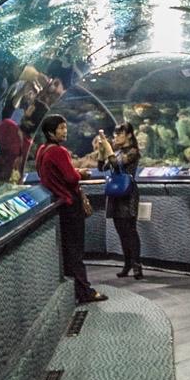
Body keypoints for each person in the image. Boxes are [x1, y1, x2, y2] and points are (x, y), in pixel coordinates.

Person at [34, 114, 107, 303]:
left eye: (65, 127)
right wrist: (80, 173)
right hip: (70, 204)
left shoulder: (42, 150)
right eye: (60, 128)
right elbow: (70, 178)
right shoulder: (58, 151)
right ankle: (84, 291)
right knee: (76, 251)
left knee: (68, 251)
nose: (64, 131)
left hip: (59, 204)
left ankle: (74, 289)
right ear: (50, 132)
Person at [97, 122, 143, 279]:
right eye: (115, 134)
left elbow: (117, 164)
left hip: (128, 193)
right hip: (116, 194)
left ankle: (137, 266)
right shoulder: (116, 152)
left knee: (130, 231)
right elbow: (101, 167)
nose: (116, 137)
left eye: (119, 134)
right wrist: (101, 149)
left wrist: (108, 148)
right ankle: (127, 264)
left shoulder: (133, 151)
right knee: (121, 231)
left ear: (129, 135)